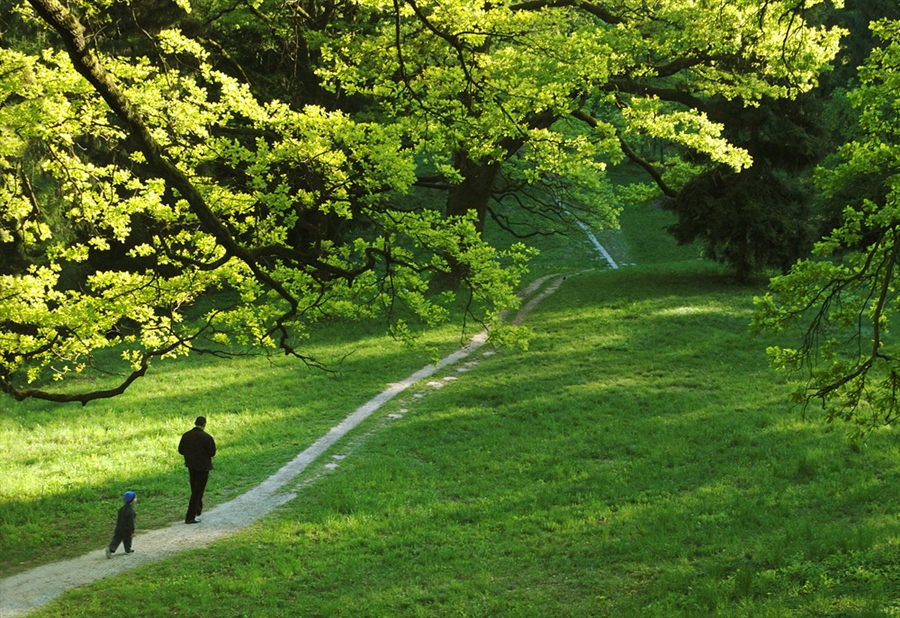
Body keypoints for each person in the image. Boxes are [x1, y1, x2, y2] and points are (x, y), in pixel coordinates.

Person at [178, 415, 216, 524]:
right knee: (197, 492)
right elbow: (212, 453)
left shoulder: (186, 436)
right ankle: (190, 516)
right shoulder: (207, 437)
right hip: (203, 467)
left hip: (191, 466)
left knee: (195, 489)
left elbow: (181, 450)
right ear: (204, 424)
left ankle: (198, 509)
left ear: (195, 423)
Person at [105, 491, 137, 558]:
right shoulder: (130, 510)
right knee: (127, 540)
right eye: (135, 498)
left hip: (119, 527)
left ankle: (110, 548)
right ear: (132, 500)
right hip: (127, 529)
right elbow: (131, 522)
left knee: (116, 539)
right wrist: (132, 531)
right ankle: (128, 550)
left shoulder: (122, 509)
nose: (136, 499)